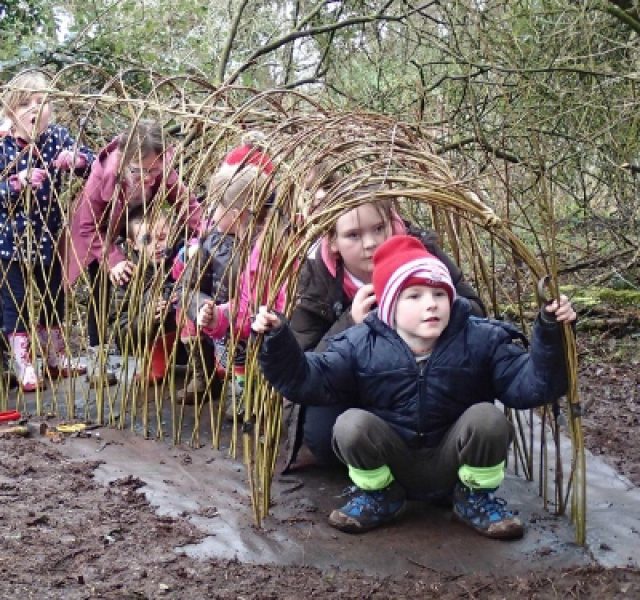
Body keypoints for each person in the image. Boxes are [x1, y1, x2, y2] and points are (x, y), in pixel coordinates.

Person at [253, 234, 577, 539]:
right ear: (390, 305)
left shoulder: (481, 339)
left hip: (454, 461)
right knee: (351, 424)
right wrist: (278, 340)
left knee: (487, 419)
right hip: (395, 463)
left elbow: (531, 385)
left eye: (439, 294)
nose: (431, 304)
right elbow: (309, 380)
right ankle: (379, 495)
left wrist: (551, 335)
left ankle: (474, 498)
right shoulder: (361, 343)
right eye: (415, 296)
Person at [286, 195, 486, 469]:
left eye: (379, 228)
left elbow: (476, 312)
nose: (370, 243)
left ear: (393, 224)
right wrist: (351, 322)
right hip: (356, 385)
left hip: (426, 379)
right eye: (353, 235)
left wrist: (431, 306)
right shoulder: (317, 277)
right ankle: (377, 472)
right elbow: (304, 363)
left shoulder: (424, 255)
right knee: (323, 438)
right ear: (332, 242)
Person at [65, 119, 201, 387]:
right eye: (140, 171)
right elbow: (87, 225)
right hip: (96, 232)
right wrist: (113, 259)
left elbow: (188, 206)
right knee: (100, 290)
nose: (149, 178)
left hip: (136, 227)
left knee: (157, 282)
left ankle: (164, 354)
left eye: (154, 170)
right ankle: (99, 363)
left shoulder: (161, 166)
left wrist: (205, 238)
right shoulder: (104, 173)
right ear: (126, 161)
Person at [0, 70, 94, 391]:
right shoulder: (2, 142)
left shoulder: (56, 137)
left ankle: (55, 357)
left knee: (55, 295)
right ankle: (23, 364)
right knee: (17, 302)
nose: (35, 109)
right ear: (11, 109)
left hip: (48, 238)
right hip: (10, 242)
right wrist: (15, 183)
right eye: (27, 103)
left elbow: (93, 166)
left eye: (42, 102)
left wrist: (77, 160)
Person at [176, 165, 267, 405]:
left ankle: (260, 395)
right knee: (235, 359)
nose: (210, 213)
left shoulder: (270, 245)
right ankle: (240, 394)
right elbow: (187, 287)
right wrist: (203, 306)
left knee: (256, 359)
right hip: (225, 322)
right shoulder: (211, 243)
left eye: (216, 207)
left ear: (235, 214)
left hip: (259, 323)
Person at [112, 207, 183, 383]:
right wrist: (147, 317)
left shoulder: (185, 258)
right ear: (132, 244)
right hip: (150, 345)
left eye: (162, 237)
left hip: (188, 345)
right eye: (147, 240)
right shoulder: (127, 275)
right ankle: (156, 359)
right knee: (153, 295)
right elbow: (120, 336)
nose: (157, 245)